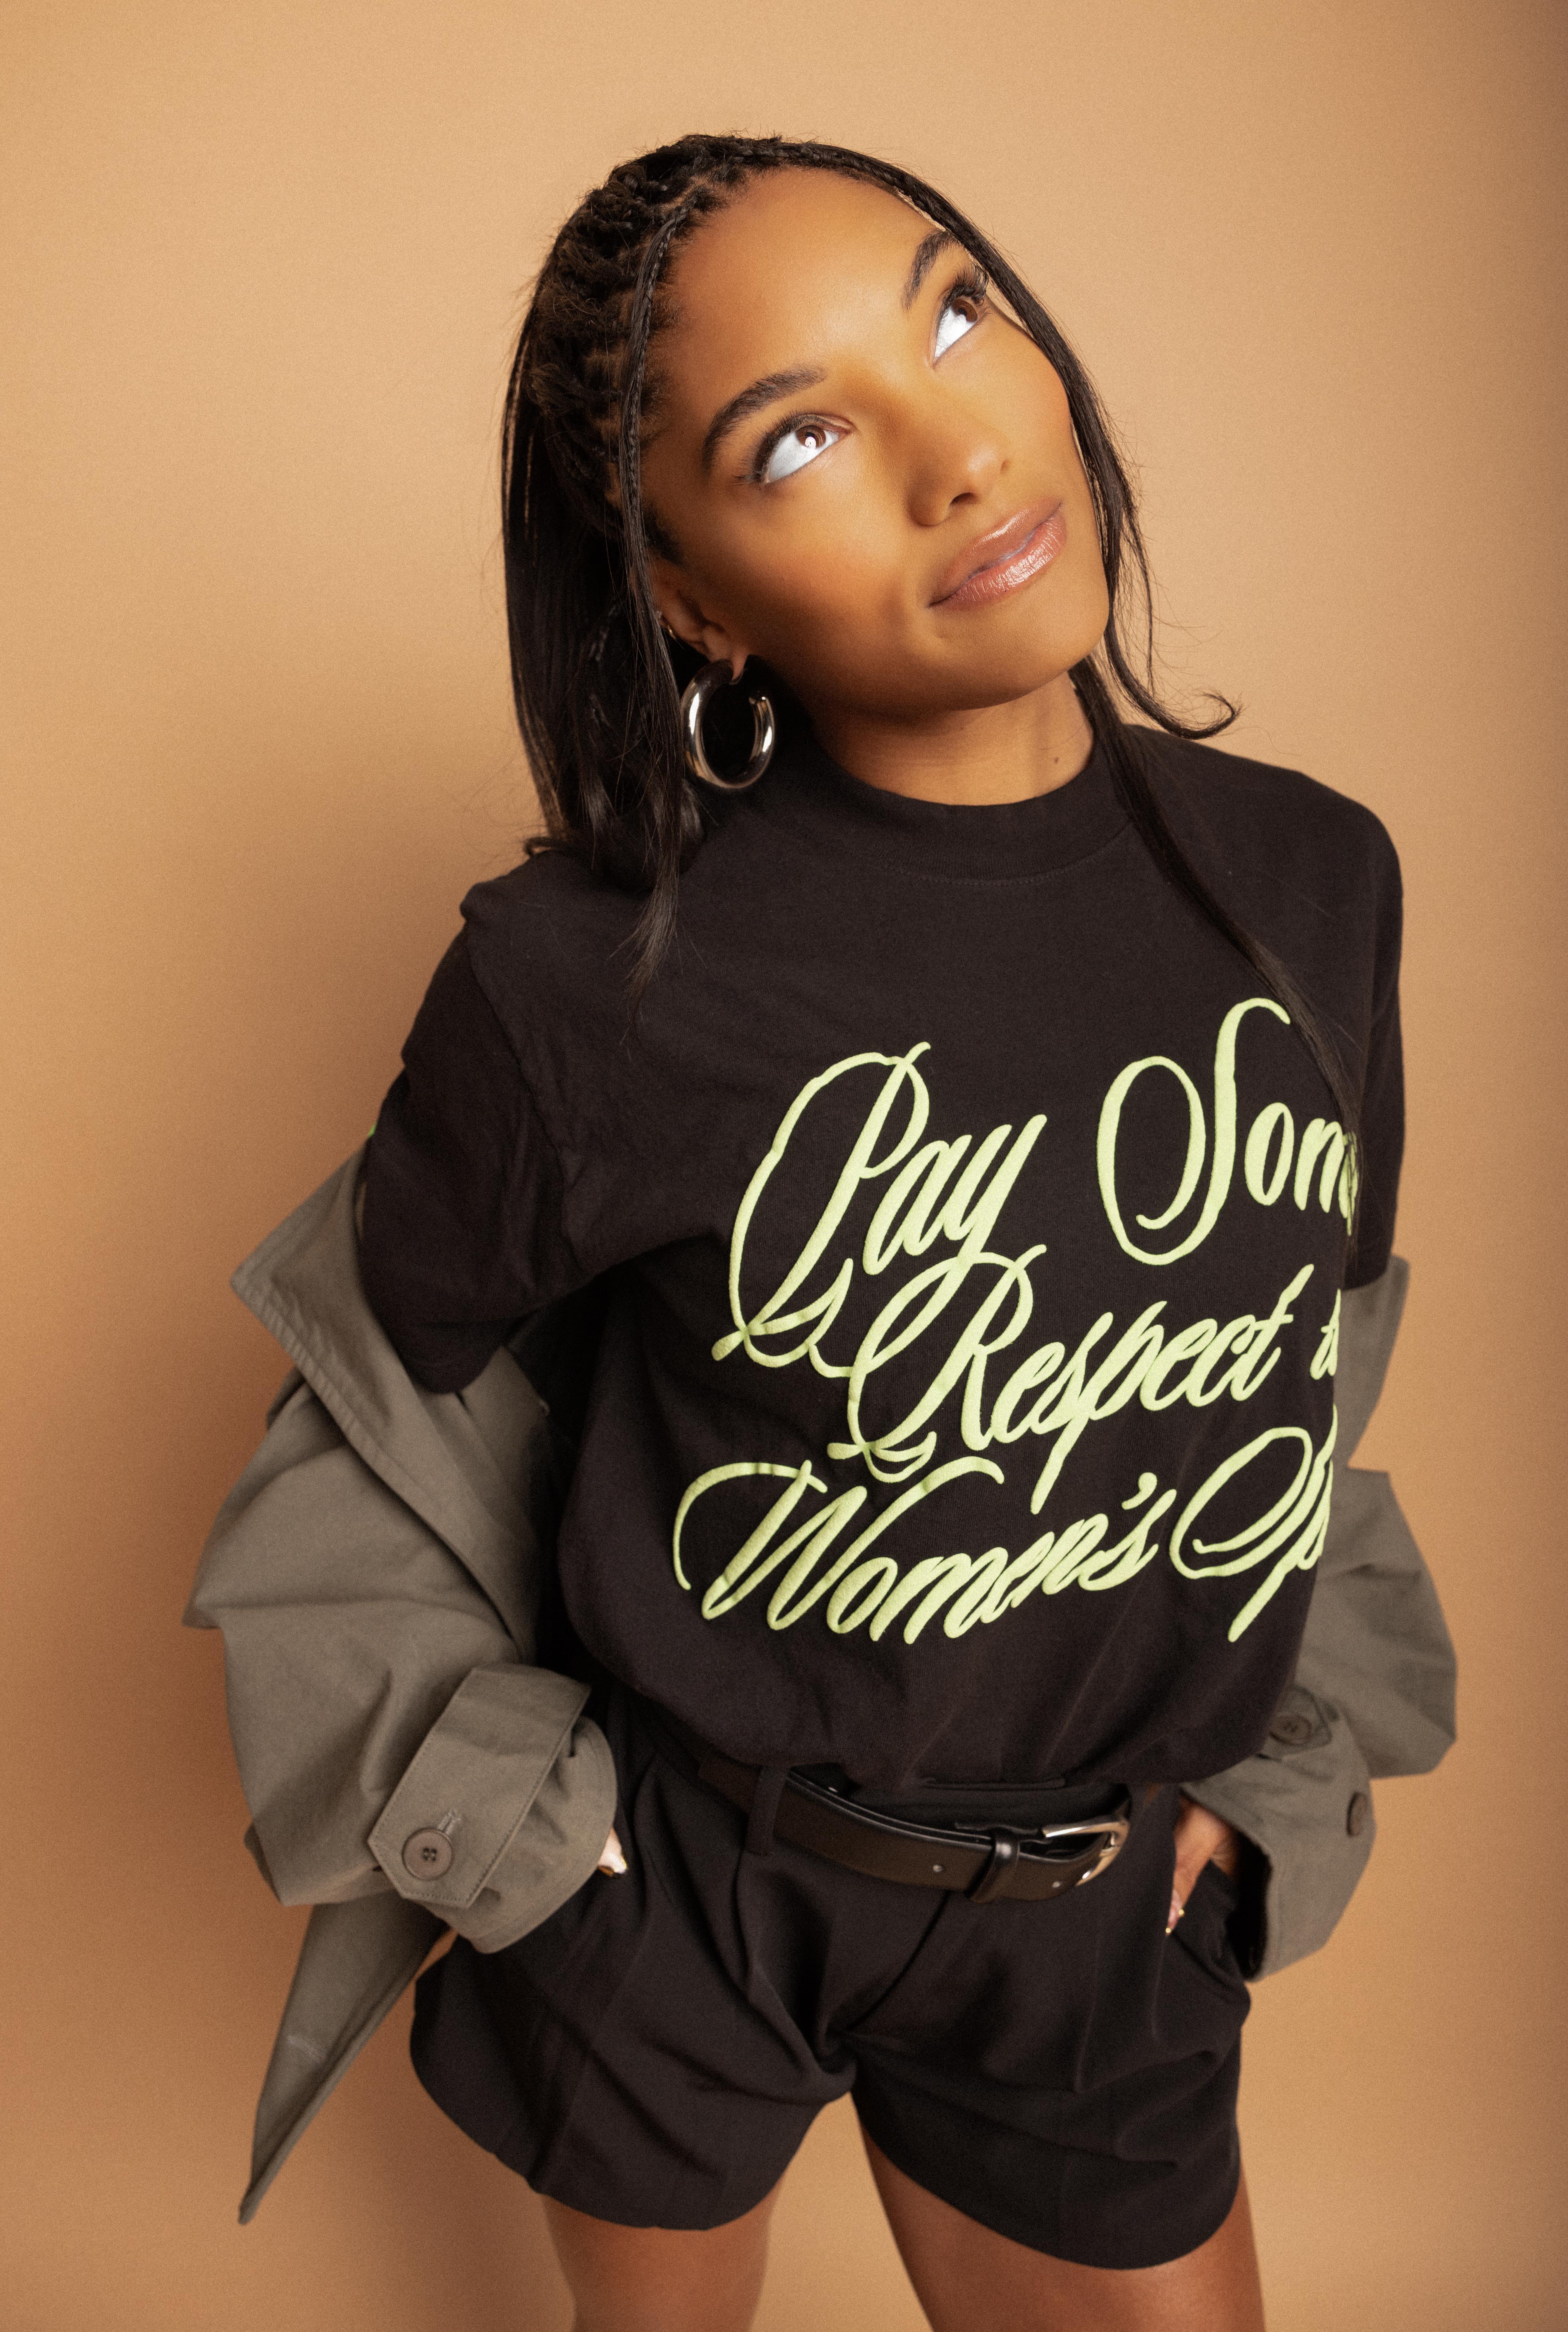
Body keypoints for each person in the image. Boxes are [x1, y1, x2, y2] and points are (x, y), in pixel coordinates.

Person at [208, 134, 1446, 2330]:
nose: (958, 456)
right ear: (688, 593)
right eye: (796, 440)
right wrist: (544, 1852)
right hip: (678, 1887)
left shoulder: (1313, 882)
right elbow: (382, 1413)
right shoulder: (582, 979)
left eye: (958, 311)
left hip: (1093, 1907)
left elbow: (1301, 1372)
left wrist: (1270, 1766)